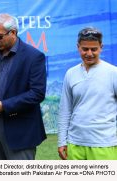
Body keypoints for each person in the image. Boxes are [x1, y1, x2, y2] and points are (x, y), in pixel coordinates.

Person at [0, 13, 47, 160]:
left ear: (13, 33)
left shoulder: (34, 56)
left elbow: (37, 93)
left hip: (21, 133)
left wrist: (4, 105)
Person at [58, 27, 117, 160]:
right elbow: (65, 111)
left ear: (101, 47)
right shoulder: (71, 73)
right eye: (85, 49)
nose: (89, 53)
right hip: (75, 144)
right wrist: (62, 141)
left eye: (94, 49)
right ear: (78, 47)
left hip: (104, 144)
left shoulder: (113, 73)